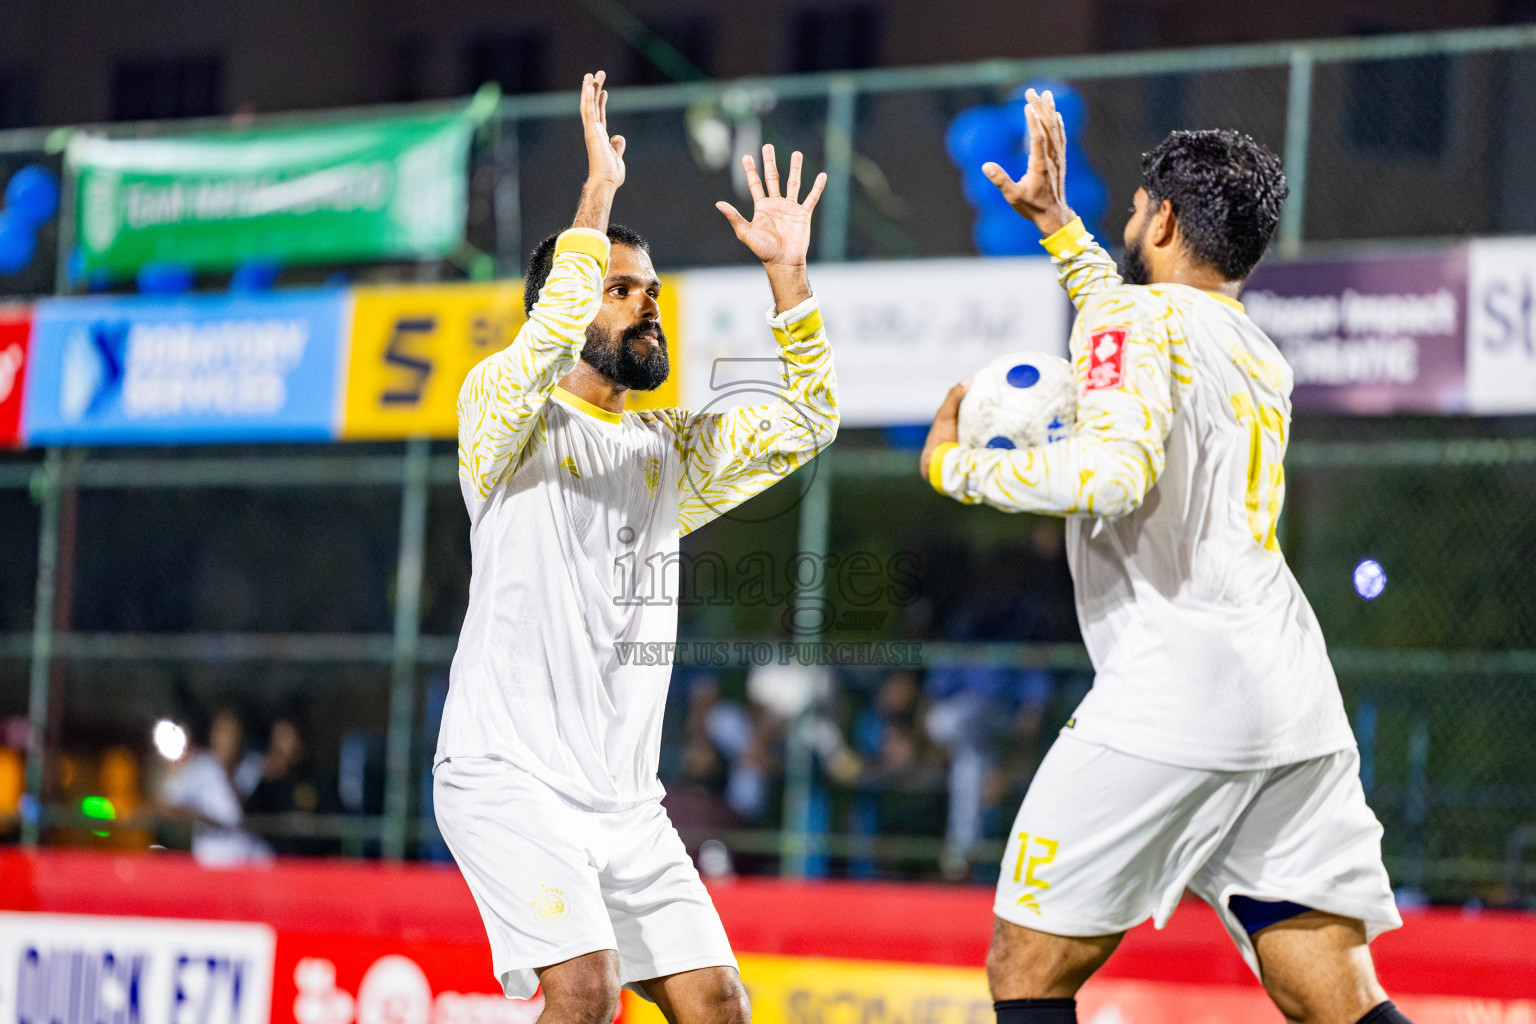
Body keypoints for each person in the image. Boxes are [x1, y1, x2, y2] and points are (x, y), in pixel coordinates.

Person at [920, 89, 1408, 1024]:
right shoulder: (1258, 352)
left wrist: (959, 470)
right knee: (1329, 988)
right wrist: (1062, 227)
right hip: (1291, 696)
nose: (1129, 223)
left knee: (1026, 964)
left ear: (1167, 219)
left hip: (1177, 689)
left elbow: (1110, 473)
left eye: (1136, 211)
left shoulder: (1134, 325)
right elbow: (1138, 322)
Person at [433, 71, 837, 1024]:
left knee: (717, 1005)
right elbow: (540, 347)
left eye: (650, 291)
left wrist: (788, 277)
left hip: (625, 807)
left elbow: (809, 420)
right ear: (566, 307)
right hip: (506, 777)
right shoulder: (501, 418)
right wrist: (597, 199)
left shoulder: (668, 451)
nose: (646, 306)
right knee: (584, 993)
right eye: (621, 291)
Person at [159, 709, 272, 867]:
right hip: (209, 864)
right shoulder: (200, 766)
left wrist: (226, 771)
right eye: (221, 732)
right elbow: (168, 805)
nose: (226, 740)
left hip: (248, 864)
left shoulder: (253, 766)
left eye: (232, 733)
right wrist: (198, 815)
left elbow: (242, 812)